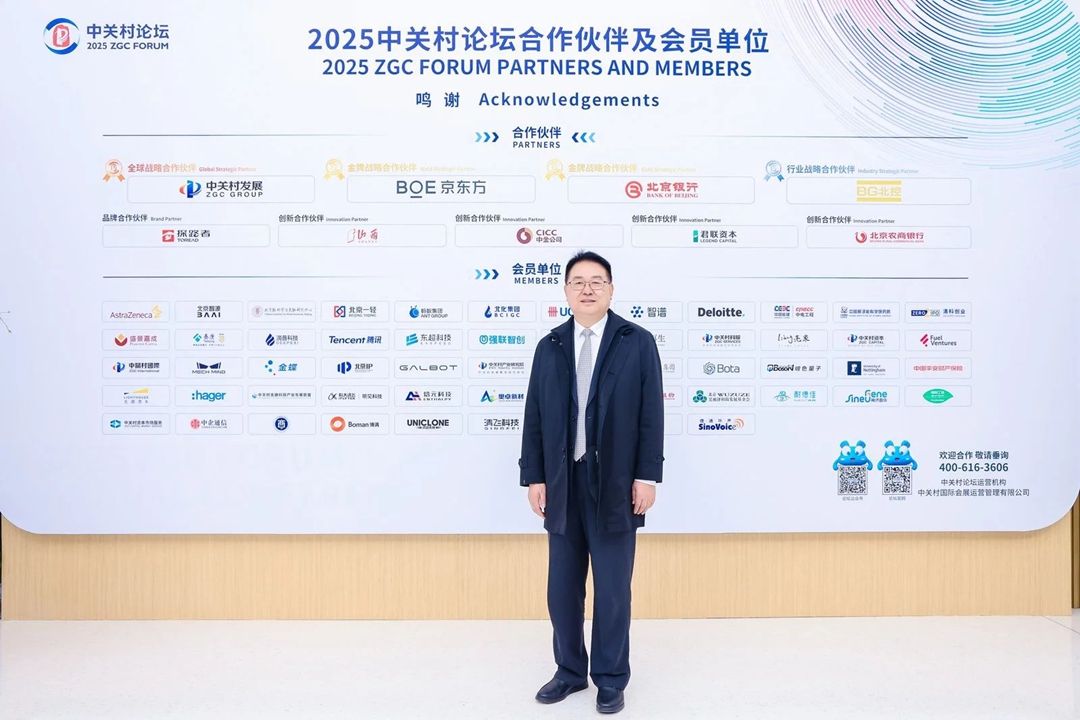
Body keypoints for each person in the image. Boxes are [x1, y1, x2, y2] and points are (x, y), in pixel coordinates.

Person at [519, 250, 665, 714]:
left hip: (617, 484)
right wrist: (535, 476)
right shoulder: (550, 346)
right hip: (563, 483)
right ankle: (569, 671)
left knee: (613, 587)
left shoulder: (636, 342)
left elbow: (651, 414)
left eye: (596, 281)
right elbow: (534, 415)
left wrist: (646, 476)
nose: (587, 289)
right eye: (577, 281)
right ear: (565, 291)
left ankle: (610, 677)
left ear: (611, 289)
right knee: (562, 587)